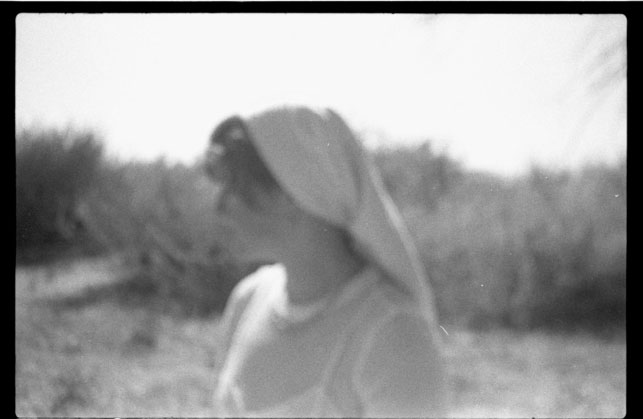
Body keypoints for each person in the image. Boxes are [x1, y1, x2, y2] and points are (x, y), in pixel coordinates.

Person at [205, 105, 449, 418]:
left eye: (235, 187)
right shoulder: (248, 299)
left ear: (294, 191)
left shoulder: (395, 337)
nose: (220, 206)